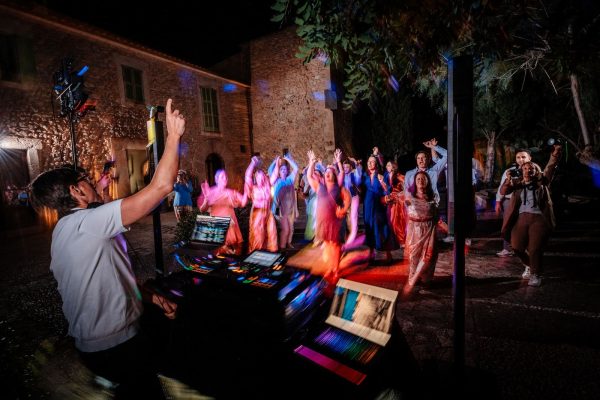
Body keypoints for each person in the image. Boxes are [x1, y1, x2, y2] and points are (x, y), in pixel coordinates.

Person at [29, 98, 183, 399]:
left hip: (98, 347)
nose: (95, 183)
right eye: (86, 180)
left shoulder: (65, 228)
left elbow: (106, 280)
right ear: (76, 191)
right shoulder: (89, 222)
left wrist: (150, 296)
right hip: (117, 345)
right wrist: (174, 136)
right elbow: (161, 187)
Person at [500, 145, 562, 287]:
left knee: (534, 248)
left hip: (538, 219)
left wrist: (555, 155)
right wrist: (508, 180)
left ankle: (535, 274)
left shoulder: (542, 181)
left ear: (536, 171)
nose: (528, 170)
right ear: (522, 171)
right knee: (516, 247)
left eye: (531, 169)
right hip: (521, 219)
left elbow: (550, 168)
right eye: (525, 169)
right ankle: (530, 265)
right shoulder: (517, 183)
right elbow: (503, 191)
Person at [306, 149, 350, 282]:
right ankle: (330, 268)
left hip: (334, 222)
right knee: (328, 246)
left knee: (335, 246)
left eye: (330, 172)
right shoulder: (319, 187)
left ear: (334, 175)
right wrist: (311, 162)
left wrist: (339, 162)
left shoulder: (338, 186)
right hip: (323, 222)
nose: (327, 173)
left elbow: (342, 175)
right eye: (326, 172)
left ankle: (336, 270)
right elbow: (309, 176)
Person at [198, 169, 248, 255]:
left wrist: (247, 188)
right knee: (219, 254)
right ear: (216, 179)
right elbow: (202, 210)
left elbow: (243, 202)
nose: (225, 179)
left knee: (234, 253)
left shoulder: (231, 192)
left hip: (231, 226)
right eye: (222, 177)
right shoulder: (210, 192)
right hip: (218, 227)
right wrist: (206, 198)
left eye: (226, 177)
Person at [404, 171, 439, 291]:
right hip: (415, 230)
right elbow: (395, 200)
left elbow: (436, 215)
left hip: (429, 229)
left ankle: (426, 279)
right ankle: (414, 278)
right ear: (414, 181)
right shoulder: (409, 196)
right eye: (418, 179)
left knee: (429, 256)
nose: (421, 181)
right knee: (414, 256)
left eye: (423, 179)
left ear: (427, 181)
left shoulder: (432, 197)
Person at [495, 149, 532, 257]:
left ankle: (525, 248)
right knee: (508, 224)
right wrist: (498, 201)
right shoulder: (510, 171)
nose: (521, 159)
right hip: (509, 200)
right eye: (518, 157)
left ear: (529, 158)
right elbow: (502, 188)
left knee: (526, 225)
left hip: (527, 202)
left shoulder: (534, 170)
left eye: (523, 157)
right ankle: (507, 249)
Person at [245, 156, 278, 252]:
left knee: (271, 233)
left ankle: (270, 252)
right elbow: (247, 176)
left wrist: (277, 163)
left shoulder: (267, 186)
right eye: (258, 177)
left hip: (267, 213)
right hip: (257, 213)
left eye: (262, 177)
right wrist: (252, 163)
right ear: (255, 178)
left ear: (264, 178)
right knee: (257, 235)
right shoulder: (253, 188)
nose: (260, 179)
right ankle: (256, 253)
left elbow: (275, 175)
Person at [269, 152, 299, 250]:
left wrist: (288, 159)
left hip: (290, 209)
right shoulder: (276, 181)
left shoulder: (290, 180)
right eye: (281, 169)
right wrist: (275, 162)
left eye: (285, 169)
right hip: (280, 210)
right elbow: (270, 171)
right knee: (285, 229)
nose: (283, 170)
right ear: (278, 171)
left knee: (291, 229)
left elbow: (296, 168)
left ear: (287, 171)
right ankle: (281, 246)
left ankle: (288, 243)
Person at [404, 138, 448, 204]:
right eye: (418, 158)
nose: (421, 160)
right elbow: (406, 190)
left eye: (423, 157)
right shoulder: (409, 173)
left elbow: (447, 155)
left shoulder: (434, 171)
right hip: (415, 204)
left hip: (431, 203)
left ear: (428, 160)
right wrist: (408, 204)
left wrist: (433, 146)